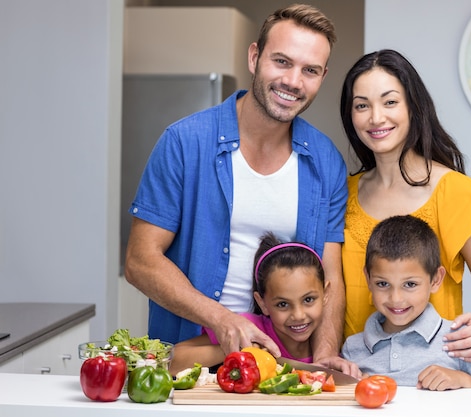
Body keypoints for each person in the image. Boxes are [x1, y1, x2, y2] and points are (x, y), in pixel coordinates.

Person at [125, 4, 352, 373]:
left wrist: (325, 352)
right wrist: (222, 319)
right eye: (282, 61)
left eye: (309, 70)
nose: (293, 81)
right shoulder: (184, 142)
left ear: (322, 77)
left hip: (282, 368)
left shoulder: (326, 160)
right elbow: (140, 261)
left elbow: (331, 274)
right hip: (189, 365)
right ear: (254, 56)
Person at [340, 49, 471, 362]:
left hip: (433, 379)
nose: (376, 117)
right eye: (362, 105)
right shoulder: (343, 193)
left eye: (390, 102)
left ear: (413, 108)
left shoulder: (458, 192)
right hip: (357, 381)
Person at [341, 215, 471, 389]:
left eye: (410, 284)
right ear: (368, 278)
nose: (396, 299)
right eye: (383, 284)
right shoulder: (353, 348)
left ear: (435, 280)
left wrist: (463, 380)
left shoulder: (458, 340)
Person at [170, 233, 329, 375]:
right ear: (263, 303)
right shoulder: (249, 329)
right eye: (282, 304)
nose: (299, 315)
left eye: (308, 300)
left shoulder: (325, 339)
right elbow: (172, 361)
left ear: (325, 294)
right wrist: (237, 349)